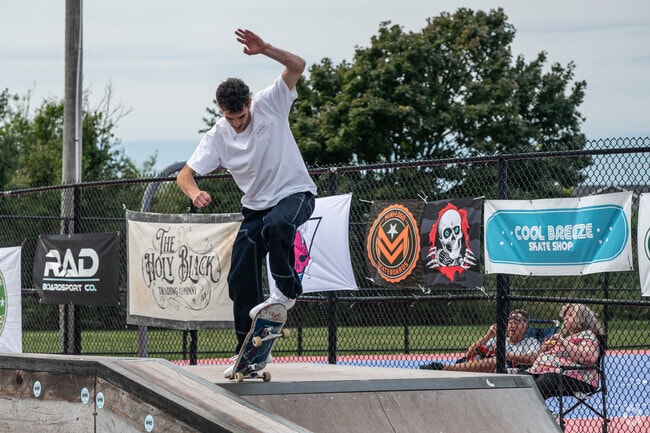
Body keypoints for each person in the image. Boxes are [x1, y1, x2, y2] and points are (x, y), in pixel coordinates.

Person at [177, 29, 317, 377]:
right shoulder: (217, 135)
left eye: (241, 117)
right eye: (231, 118)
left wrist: (266, 49)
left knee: (278, 226)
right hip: (255, 208)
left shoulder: (271, 102)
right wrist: (194, 192)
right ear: (222, 112)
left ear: (249, 103)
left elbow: (298, 65)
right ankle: (247, 354)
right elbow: (184, 174)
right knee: (240, 276)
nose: (237, 124)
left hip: (296, 193)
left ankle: (287, 290)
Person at [420, 309, 541, 372]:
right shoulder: (499, 339)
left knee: (495, 361)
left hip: (507, 370)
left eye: (517, 321)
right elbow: (469, 353)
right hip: (484, 369)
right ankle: (448, 368)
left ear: (526, 326)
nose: (512, 324)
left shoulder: (531, 341)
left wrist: (504, 355)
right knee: (488, 359)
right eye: (510, 321)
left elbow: (533, 358)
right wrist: (488, 335)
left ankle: (445, 368)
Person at [525, 303, 604, 400]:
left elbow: (588, 358)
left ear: (582, 319)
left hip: (577, 377)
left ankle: (529, 406)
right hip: (544, 371)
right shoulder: (566, 337)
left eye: (570, 315)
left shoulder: (587, 335)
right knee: (522, 377)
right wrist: (544, 349)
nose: (565, 318)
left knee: (548, 380)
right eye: (565, 315)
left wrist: (563, 341)